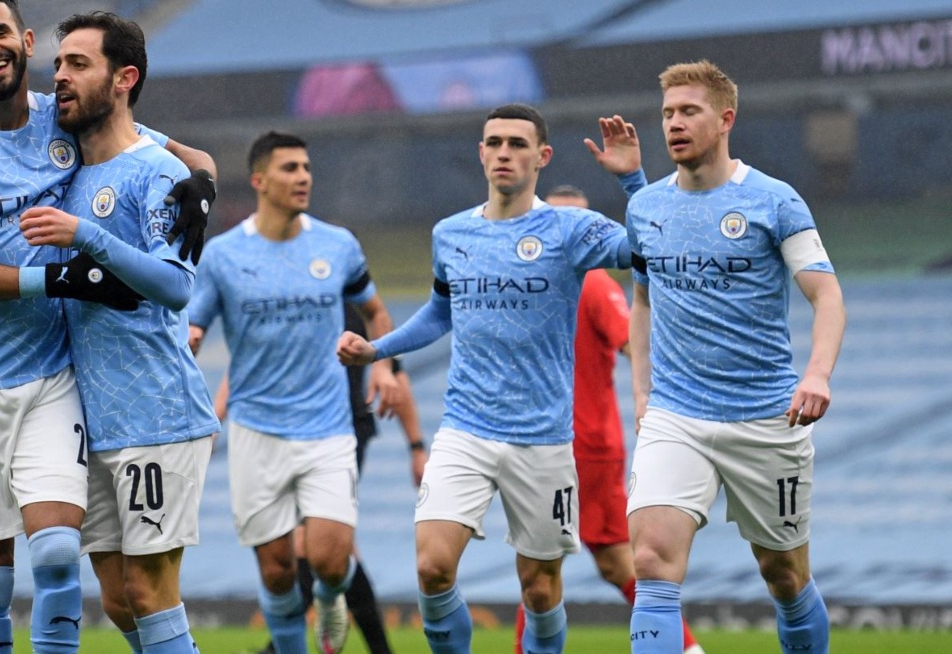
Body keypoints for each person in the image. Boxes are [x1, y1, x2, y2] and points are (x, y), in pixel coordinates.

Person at [0, 0, 215, 654]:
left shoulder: (59, 115)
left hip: (61, 377)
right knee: (5, 579)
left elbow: (186, 163)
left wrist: (199, 191)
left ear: (25, 42)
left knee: (60, 555)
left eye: (0, 32)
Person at [337, 103, 647, 654]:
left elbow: (646, 248)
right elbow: (439, 311)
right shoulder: (451, 234)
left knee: (542, 588)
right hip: (466, 430)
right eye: (494, 142)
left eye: (517, 144)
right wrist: (376, 349)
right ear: (481, 153)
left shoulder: (569, 228)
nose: (504, 152)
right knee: (432, 567)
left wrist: (632, 181)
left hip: (544, 440)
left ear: (542, 157)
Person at [622, 60, 845, 654]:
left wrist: (817, 372)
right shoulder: (645, 207)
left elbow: (826, 294)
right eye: (668, 112)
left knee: (787, 577)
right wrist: (642, 394)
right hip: (677, 417)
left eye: (688, 111)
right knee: (649, 561)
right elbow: (640, 303)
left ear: (725, 119)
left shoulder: (774, 201)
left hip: (766, 418)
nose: (674, 123)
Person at [16, 11, 220, 654]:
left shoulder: (153, 172)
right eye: (58, 65)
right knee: (118, 597)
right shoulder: (72, 164)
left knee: (151, 590)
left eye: (78, 64)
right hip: (93, 417)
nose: (60, 78)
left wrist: (85, 235)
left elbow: (175, 285)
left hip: (157, 411)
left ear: (123, 77)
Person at [187, 131, 402, 654]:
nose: (303, 176)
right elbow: (193, 332)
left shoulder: (337, 244)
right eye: (289, 169)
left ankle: (331, 597)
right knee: (279, 572)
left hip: (329, 429)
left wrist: (385, 366)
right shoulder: (223, 256)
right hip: (257, 434)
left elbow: (373, 311)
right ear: (260, 181)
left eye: (306, 167)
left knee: (330, 559)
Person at [512, 186, 703, 654]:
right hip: (547, 444)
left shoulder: (593, 283)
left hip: (584, 448)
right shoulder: (531, 286)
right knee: (606, 563)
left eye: (580, 222)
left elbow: (634, 344)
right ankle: (688, 648)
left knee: (547, 564)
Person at [222, 302, 427, 654]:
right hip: (290, 432)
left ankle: (280, 647)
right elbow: (244, 367)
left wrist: (417, 446)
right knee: (333, 550)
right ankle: (370, 642)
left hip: (344, 433)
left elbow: (395, 373)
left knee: (310, 544)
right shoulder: (290, 303)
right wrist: (213, 421)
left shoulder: (359, 310)